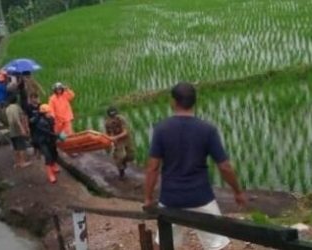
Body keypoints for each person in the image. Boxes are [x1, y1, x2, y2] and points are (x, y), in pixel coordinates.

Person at [144, 82, 247, 250]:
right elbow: (224, 167)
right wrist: (238, 192)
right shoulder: (207, 130)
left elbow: (153, 167)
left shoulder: (161, 129)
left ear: (173, 102)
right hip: (201, 197)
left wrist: (148, 198)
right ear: (195, 102)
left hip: (171, 199)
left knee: (167, 243)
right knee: (217, 245)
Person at [34, 104, 65, 183]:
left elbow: (54, 128)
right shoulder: (40, 122)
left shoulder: (51, 118)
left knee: (54, 154)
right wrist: (57, 135)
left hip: (51, 140)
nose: (49, 114)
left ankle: (53, 166)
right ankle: (50, 174)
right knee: (48, 156)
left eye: (49, 112)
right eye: (47, 113)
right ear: (43, 114)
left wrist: (60, 129)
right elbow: (47, 132)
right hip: (43, 141)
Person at [104, 106, 135, 179]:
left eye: (114, 115)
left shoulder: (121, 119)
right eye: (112, 116)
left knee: (131, 156)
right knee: (120, 156)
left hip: (126, 138)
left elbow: (126, 132)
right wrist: (108, 144)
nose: (114, 117)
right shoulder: (107, 123)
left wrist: (114, 137)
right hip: (118, 140)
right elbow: (108, 134)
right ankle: (121, 171)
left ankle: (124, 163)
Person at [5, 94, 31, 168]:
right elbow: (17, 119)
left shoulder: (7, 109)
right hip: (17, 130)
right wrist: (22, 129)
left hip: (11, 130)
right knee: (21, 147)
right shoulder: (16, 107)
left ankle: (17, 163)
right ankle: (22, 162)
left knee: (15, 148)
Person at [24, 93, 41, 159]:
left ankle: (39, 152)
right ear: (31, 99)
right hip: (32, 126)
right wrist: (26, 126)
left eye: (35, 98)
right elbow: (25, 117)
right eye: (33, 98)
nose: (34, 99)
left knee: (39, 139)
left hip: (40, 125)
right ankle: (35, 150)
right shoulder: (28, 107)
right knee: (34, 139)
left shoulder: (40, 106)